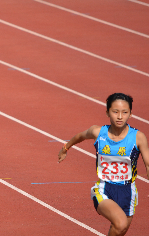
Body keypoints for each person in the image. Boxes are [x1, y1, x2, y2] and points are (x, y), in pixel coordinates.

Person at [58, 93, 149, 236]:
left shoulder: (138, 137)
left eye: (124, 112)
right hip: (104, 189)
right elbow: (80, 136)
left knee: (120, 229)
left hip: (128, 191)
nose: (120, 116)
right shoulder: (98, 132)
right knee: (121, 223)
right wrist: (65, 148)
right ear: (107, 112)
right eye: (115, 112)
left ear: (130, 114)